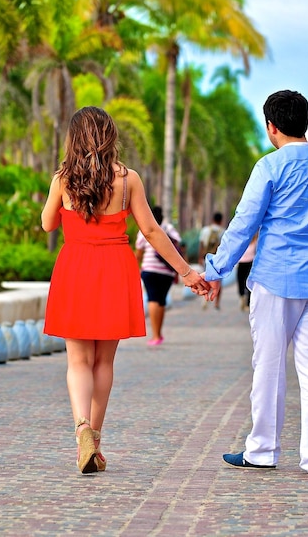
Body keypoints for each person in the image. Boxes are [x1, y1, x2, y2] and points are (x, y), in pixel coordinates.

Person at [41, 106, 208, 475]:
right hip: (115, 268)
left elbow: (47, 224)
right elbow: (151, 231)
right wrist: (185, 271)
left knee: (78, 362)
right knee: (104, 362)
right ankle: (95, 440)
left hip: (75, 268)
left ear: (74, 140)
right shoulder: (127, 179)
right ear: (109, 136)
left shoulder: (62, 180)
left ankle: (81, 429)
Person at [202, 90, 308, 474]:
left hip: (276, 279)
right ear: (303, 123)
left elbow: (244, 223)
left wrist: (215, 269)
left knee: (268, 365)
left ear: (271, 127)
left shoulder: (269, 167)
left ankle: (263, 451)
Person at [135, 206, 183, 346]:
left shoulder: (143, 228)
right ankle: (158, 333)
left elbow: (139, 251)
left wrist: (136, 266)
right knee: (161, 300)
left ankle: (155, 335)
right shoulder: (168, 228)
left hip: (149, 269)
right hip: (166, 271)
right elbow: (178, 243)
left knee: (153, 299)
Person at [199, 212, 225, 310]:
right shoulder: (223, 231)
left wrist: (200, 257)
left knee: (205, 279)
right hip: (218, 260)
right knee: (218, 282)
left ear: (212, 219)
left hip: (206, 258)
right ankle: (216, 303)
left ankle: (205, 299)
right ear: (221, 220)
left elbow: (201, 244)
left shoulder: (205, 230)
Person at [237, 234, 258, 311]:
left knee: (249, 283)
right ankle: (242, 297)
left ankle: (248, 303)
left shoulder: (256, 241)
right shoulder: (243, 241)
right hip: (241, 263)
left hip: (250, 264)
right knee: (240, 282)